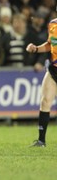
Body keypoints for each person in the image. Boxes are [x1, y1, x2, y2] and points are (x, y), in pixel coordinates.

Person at [26, 16, 57, 147]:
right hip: (54, 69)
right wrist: (36, 49)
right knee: (45, 101)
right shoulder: (53, 24)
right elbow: (50, 44)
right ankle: (41, 141)